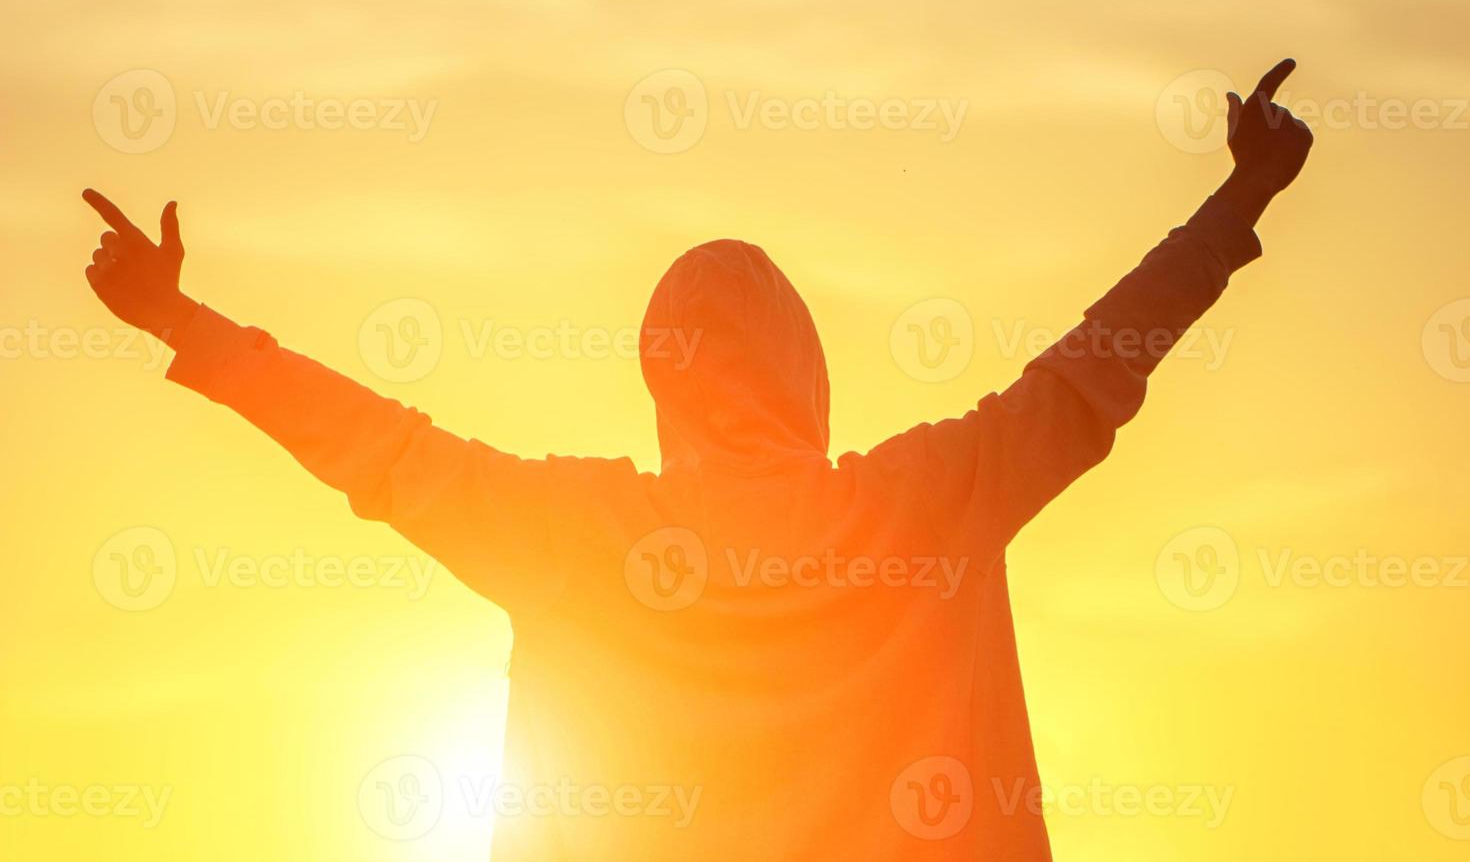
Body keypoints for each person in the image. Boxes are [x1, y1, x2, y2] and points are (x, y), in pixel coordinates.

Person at [80, 59, 1313, 860]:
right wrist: (1239, 198)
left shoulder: (577, 532)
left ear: (665, 376)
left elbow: (379, 448)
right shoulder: (923, 505)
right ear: (804, 371)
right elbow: (1094, 370)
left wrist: (184, 323)